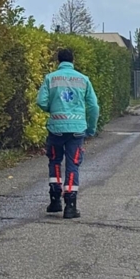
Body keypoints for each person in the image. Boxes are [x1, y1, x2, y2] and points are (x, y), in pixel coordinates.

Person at [36, 48, 100, 219]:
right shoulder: (83, 79)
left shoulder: (50, 78)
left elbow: (40, 101)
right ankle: (70, 207)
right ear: (73, 61)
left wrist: (52, 109)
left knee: (55, 161)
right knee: (73, 165)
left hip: (56, 129)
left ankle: (55, 200)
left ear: (58, 61)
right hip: (77, 130)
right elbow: (94, 107)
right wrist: (91, 128)